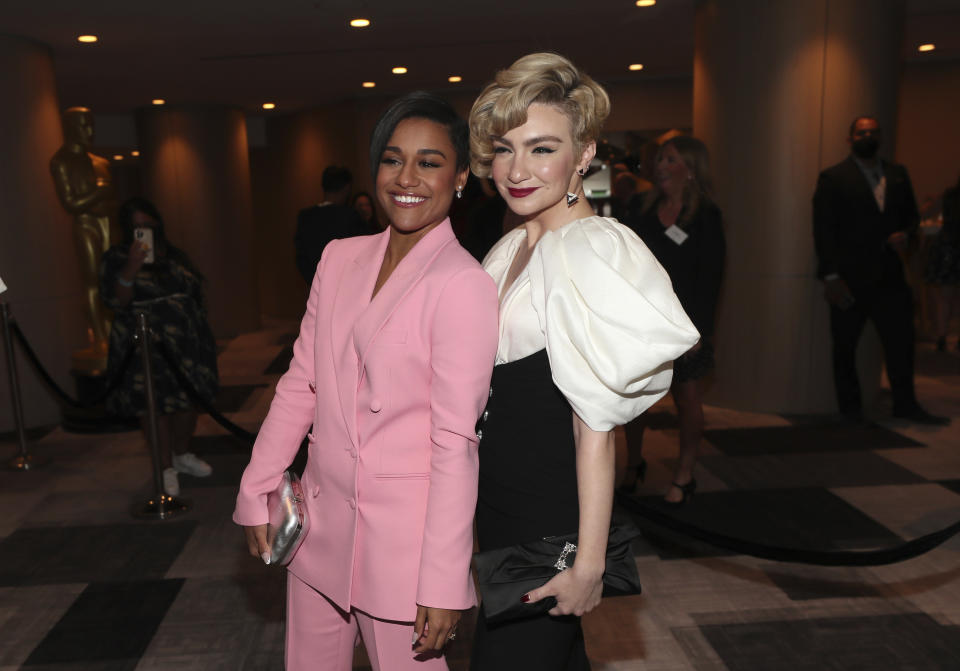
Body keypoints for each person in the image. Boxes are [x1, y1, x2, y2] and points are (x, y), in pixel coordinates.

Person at [234, 92, 499, 671]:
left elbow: (457, 444)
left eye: (429, 162)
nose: (407, 178)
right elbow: (301, 381)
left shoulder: (463, 284)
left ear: (459, 178)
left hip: (403, 547)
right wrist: (258, 485)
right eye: (392, 159)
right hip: (319, 522)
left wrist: (444, 580)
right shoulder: (338, 258)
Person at [467, 53, 699, 670]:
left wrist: (588, 564)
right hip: (501, 498)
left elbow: (594, 426)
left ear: (585, 153)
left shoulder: (592, 250)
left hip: (547, 513)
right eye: (504, 149)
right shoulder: (512, 243)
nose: (516, 170)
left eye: (542, 149)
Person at [813, 116, 948, 425]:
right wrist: (831, 276)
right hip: (848, 279)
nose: (868, 136)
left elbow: (912, 219)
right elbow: (824, 230)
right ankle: (851, 411)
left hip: (890, 277)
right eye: (862, 132)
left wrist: (907, 236)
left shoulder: (898, 174)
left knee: (901, 343)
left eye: (873, 132)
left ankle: (906, 404)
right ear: (850, 139)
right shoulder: (833, 178)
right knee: (845, 347)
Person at [622, 136, 726, 505]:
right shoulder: (639, 207)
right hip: (643, 321)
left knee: (687, 399)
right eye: (660, 159)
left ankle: (684, 474)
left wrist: (696, 330)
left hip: (685, 324)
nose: (661, 166)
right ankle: (633, 463)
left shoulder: (705, 216)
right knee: (634, 399)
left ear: (692, 169)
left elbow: (710, 278)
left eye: (671, 159)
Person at [99, 197, 218, 497]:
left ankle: (180, 453)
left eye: (148, 224)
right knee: (155, 406)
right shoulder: (116, 257)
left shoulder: (174, 254)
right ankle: (164, 467)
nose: (144, 231)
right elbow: (115, 301)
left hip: (186, 346)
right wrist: (131, 267)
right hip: (144, 346)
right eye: (136, 226)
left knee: (188, 402)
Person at [294, 165, 374, 283]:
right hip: (349, 285)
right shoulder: (350, 216)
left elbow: (301, 259)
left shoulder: (305, 218)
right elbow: (367, 255)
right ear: (347, 188)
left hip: (316, 286)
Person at [925, 176, 960, 350]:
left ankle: (941, 336)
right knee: (950, 298)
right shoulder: (948, 196)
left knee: (945, 297)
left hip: (948, 247)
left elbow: (926, 214)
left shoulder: (948, 196)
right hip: (951, 247)